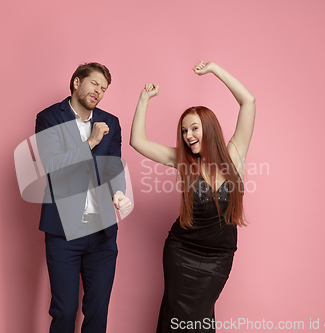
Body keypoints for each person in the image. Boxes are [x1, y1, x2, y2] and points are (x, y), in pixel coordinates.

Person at [130, 60, 256, 332]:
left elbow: (248, 101)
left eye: (194, 128)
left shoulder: (235, 154)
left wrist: (215, 70)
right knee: (176, 315)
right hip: (181, 252)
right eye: (184, 131)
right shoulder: (183, 160)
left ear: (208, 128)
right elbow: (137, 142)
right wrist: (144, 99)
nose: (188, 136)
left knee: (200, 318)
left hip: (218, 257)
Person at [35, 62, 132, 333]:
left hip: (102, 233)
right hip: (63, 232)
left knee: (98, 312)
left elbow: (113, 165)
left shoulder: (110, 122)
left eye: (103, 88)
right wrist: (90, 142)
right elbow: (53, 165)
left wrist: (119, 193)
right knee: (64, 311)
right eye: (94, 84)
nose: (98, 91)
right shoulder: (49, 118)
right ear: (77, 82)